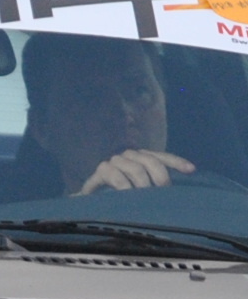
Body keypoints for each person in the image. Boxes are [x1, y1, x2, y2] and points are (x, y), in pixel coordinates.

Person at [15, 33, 192, 195]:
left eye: (139, 91)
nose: (123, 115)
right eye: (90, 100)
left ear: (164, 100)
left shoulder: (204, 207)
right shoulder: (23, 219)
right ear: (42, 128)